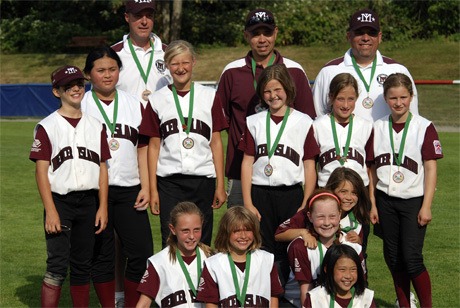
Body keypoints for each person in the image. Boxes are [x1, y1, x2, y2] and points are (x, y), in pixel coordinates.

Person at [216, 8, 316, 208]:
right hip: (240, 171)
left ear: (276, 32)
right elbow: (219, 124)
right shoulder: (231, 72)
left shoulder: (295, 71)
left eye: (267, 33)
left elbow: (308, 123)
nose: (262, 39)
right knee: (240, 234)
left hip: (284, 175)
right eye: (255, 33)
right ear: (246, 35)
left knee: (285, 236)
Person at [30, 65, 110, 307]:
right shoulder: (47, 126)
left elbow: (103, 169)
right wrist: (51, 210)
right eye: (68, 86)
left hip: (89, 202)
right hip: (60, 202)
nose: (76, 88)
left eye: (79, 84)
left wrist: (103, 206)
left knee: (82, 263)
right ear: (57, 92)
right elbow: (41, 172)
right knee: (56, 264)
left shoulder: (96, 125)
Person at [81, 46, 153, 307]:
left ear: (119, 72)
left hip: (129, 189)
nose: (107, 75)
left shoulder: (134, 104)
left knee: (141, 251)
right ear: (88, 75)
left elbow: (143, 148)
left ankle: (133, 304)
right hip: (93, 191)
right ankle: (110, 304)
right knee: (103, 254)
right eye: (100, 70)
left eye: (112, 69)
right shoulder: (82, 104)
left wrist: (146, 185)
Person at [139, 40, 227, 248]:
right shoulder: (157, 100)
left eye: (185, 62)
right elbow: (153, 147)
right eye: (174, 63)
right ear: (167, 65)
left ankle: (201, 280)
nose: (180, 68)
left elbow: (216, 143)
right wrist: (153, 190)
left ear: (194, 62)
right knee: (171, 239)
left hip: (202, 179)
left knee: (201, 238)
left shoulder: (209, 96)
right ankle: (172, 280)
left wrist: (221, 185)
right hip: (169, 182)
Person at [239, 64, 318, 286]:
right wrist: (248, 202)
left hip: (290, 193)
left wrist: (306, 202)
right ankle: (263, 294)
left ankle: (284, 296)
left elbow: (309, 165)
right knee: (261, 247)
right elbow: (247, 163)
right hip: (260, 193)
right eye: (267, 91)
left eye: (277, 90)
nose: (273, 95)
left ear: (288, 89)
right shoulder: (254, 122)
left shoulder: (303, 122)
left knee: (288, 247)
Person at [370, 73, 443, 308]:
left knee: (412, 258)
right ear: (385, 98)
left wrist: (427, 205)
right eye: (393, 98)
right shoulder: (378, 127)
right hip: (385, 200)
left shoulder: (424, 127)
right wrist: (372, 203)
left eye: (403, 97)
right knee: (393, 258)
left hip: (413, 201)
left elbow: (431, 169)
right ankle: (404, 303)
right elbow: (371, 170)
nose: (398, 102)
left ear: (412, 97)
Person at [313, 8, 418, 122]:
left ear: (380, 37)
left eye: (371, 33)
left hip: (388, 139)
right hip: (346, 139)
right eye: (359, 33)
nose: (366, 38)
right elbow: (319, 115)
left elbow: (412, 117)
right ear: (348, 36)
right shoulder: (329, 71)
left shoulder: (397, 69)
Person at [196, 206, 284, 307]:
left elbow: (274, 296)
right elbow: (211, 303)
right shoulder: (213, 264)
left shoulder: (266, 260)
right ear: (226, 233)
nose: (243, 236)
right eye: (237, 231)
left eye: (248, 230)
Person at [287, 189, 363, 305]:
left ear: (339, 214)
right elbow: (305, 290)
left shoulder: (352, 245)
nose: (327, 223)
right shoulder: (300, 246)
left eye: (332, 216)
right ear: (310, 216)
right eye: (321, 217)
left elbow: (360, 285)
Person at [136, 202, 212, 308]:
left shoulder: (211, 259)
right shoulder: (159, 262)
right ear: (173, 229)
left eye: (196, 230)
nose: (191, 236)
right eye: (185, 231)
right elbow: (143, 304)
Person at [313, 73, 373, 188]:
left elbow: (371, 168)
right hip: (328, 190)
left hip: (359, 190)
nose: (345, 105)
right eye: (340, 99)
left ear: (356, 97)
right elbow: (310, 166)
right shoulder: (317, 126)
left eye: (351, 99)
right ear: (331, 97)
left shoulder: (366, 126)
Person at [112, 0, 171, 107]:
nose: (144, 21)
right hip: (126, 122)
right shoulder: (112, 54)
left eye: (149, 16)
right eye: (138, 15)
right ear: (127, 17)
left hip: (161, 122)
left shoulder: (169, 53)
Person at [304, 244, 376, 308]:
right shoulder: (315, 298)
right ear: (327, 269)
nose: (348, 276)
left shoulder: (366, 297)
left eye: (353, 269)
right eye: (342, 269)